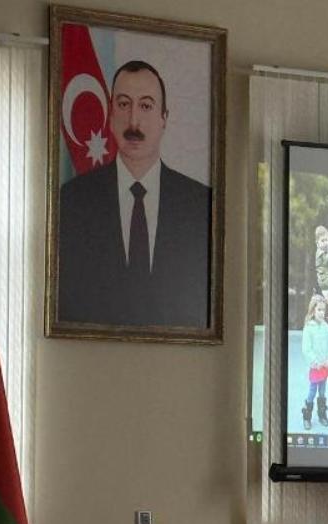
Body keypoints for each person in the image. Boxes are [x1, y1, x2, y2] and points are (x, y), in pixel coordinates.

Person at [58, 60, 211, 328]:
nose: (133, 122)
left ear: (164, 118)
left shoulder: (200, 205)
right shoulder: (72, 201)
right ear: (110, 115)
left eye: (146, 106)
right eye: (124, 104)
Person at [300, 295, 328, 430]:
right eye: (319, 310)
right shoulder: (309, 328)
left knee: (322, 391)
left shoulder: (326, 327)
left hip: (324, 365)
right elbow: (306, 348)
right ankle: (307, 416)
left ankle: (322, 414)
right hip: (315, 367)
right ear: (313, 310)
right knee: (312, 390)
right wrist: (315, 361)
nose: (321, 313)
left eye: (323, 310)